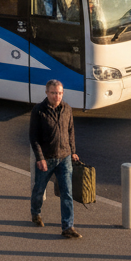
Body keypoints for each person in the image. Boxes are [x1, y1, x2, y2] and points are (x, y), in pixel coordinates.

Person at [29, 79, 82, 239]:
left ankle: (68, 226)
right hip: (47, 159)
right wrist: (40, 158)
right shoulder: (38, 111)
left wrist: (73, 151)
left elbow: (70, 131)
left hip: (64, 158)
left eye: (59, 93)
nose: (56, 96)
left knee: (67, 193)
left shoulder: (67, 109)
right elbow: (33, 137)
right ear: (47, 93)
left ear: (62, 93)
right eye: (53, 93)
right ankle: (35, 213)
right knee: (39, 190)